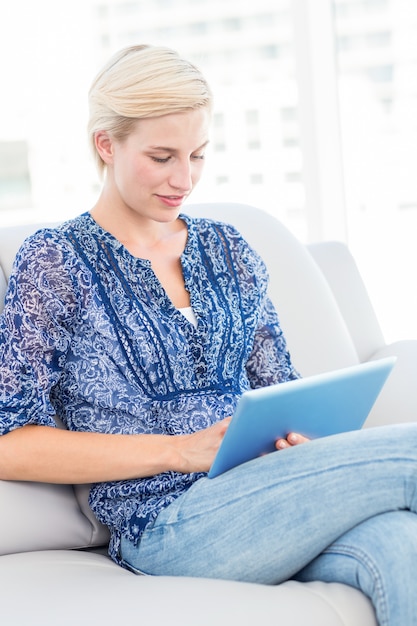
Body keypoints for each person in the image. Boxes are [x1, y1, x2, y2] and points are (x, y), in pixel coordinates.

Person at [0, 44, 416, 626]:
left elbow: (281, 389)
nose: (184, 179)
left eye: (197, 155)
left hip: (266, 494)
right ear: (106, 144)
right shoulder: (54, 263)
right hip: (166, 524)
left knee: (403, 546)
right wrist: (176, 450)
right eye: (162, 156)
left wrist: (300, 440)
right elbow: (9, 442)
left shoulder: (229, 249)